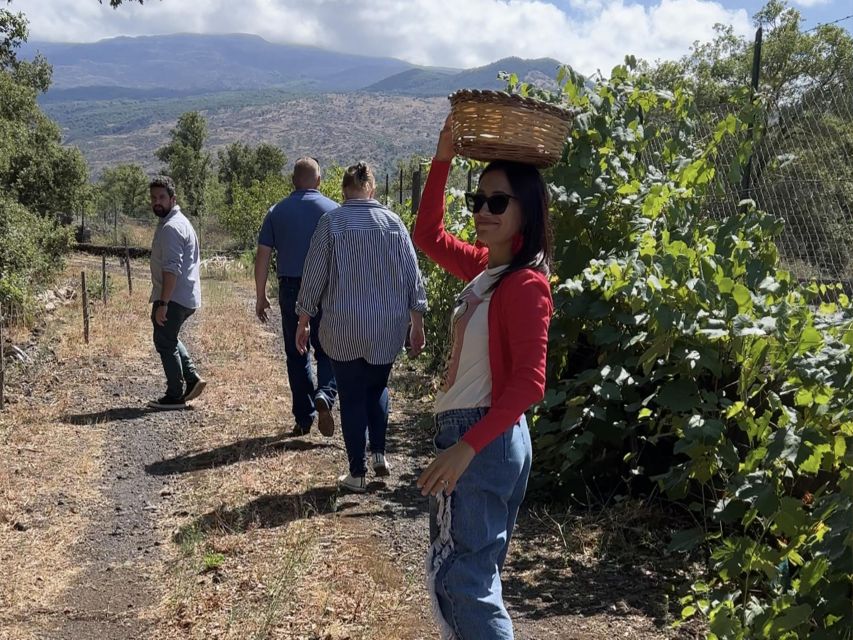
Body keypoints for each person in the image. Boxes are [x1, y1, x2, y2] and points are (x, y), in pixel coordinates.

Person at [412, 115, 553, 640]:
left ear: (527, 212)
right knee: (469, 575)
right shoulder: (487, 269)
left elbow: (529, 383)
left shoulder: (524, 284)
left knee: (463, 580)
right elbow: (426, 234)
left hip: (483, 437)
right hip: (484, 436)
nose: (483, 211)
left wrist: (465, 448)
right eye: (479, 200)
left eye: (498, 202)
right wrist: (443, 155)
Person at [296, 162, 427, 492]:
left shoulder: (331, 223)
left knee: (352, 395)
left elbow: (314, 277)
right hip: (386, 324)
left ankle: (357, 472)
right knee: (377, 388)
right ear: (372, 189)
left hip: (343, 325)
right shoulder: (393, 223)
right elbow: (413, 276)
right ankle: (379, 452)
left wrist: (304, 318)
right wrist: (417, 322)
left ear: (343, 190)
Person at [255, 157, 339, 436]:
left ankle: (304, 417)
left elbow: (263, 256)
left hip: (291, 287)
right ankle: (326, 393)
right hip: (327, 287)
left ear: (293, 181)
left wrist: (260, 295)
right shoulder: (334, 211)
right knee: (327, 348)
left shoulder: (276, 211)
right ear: (319, 181)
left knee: (296, 352)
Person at [147, 175, 206, 410]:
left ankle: (175, 395)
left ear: (173, 198)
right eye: (153, 198)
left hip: (175, 296)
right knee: (167, 338)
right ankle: (191, 379)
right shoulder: (174, 222)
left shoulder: (172, 227)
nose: (157, 202)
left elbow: (172, 269)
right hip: (183, 294)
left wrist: (164, 303)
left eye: (162, 197)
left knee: (164, 341)